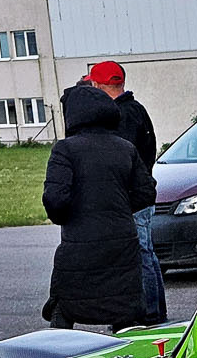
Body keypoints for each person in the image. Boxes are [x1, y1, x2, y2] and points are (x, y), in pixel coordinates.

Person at [43, 82, 155, 331]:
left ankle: (61, 353)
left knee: (65, 304)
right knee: (124, 306)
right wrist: (120, 209)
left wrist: (66, 216)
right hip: (122, 241)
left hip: (79, 242)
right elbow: (146, 192)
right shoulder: (126, 148)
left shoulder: (65, 150)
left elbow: (55, 198)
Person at [82, 60, 165, 323]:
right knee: (147, 253)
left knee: (139, 255)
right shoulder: (136, 109)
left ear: (99, 85)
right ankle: (156, 310)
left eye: (93, 84)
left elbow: (120, 160)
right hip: (143, 193)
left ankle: (148, 314)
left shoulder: (120, 116)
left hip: (131, 196)